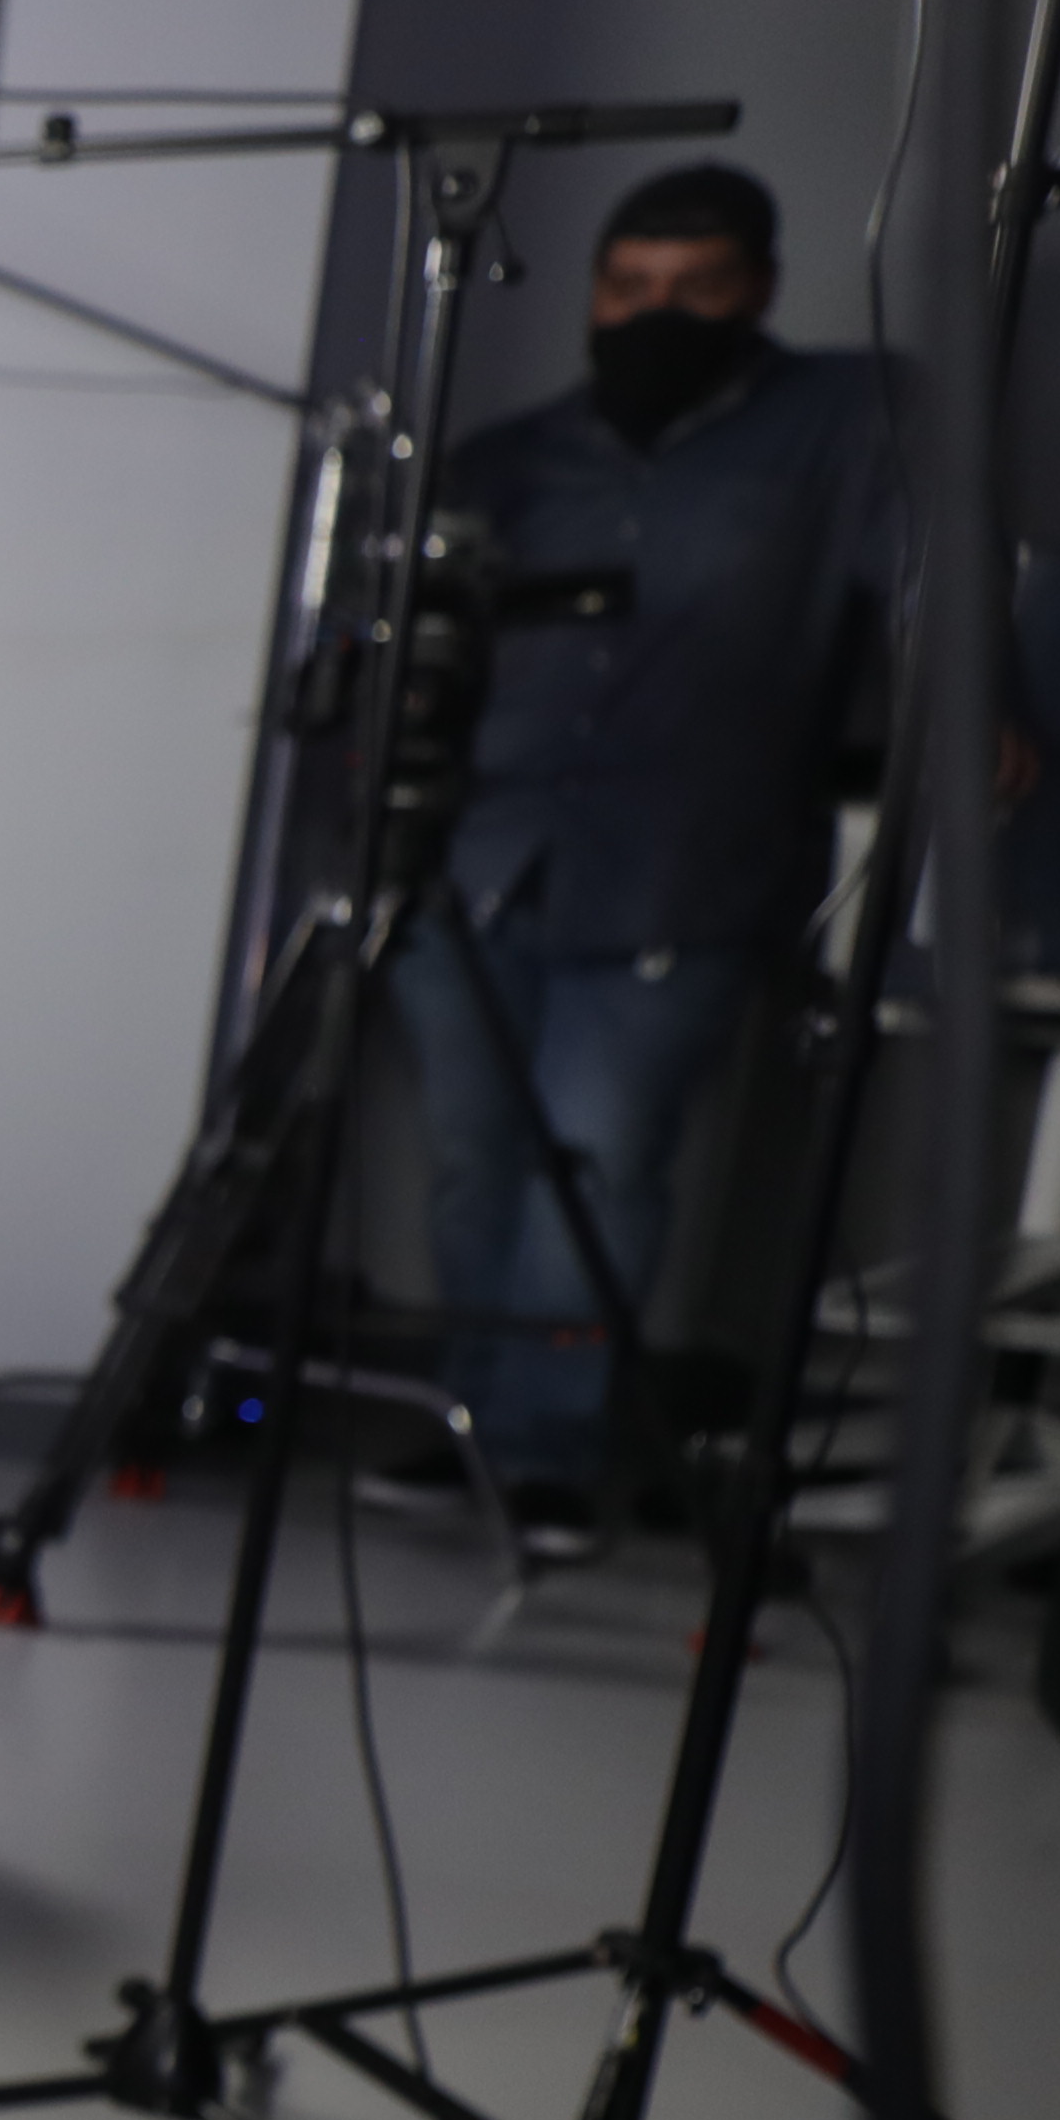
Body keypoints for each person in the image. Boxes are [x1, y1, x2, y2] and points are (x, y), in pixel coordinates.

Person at [387, 160, 903, 1553]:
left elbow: (937, 581)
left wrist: (985, 702)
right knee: (472, 1162)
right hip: (484, 858)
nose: (656, 313)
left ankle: (546, 1454)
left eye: (696, 288)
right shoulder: (509, 460)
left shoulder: (845, 427)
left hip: (681, 863)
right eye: (629, 289)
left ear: (760, 291)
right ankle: (473, 1420)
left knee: (600, 1163)